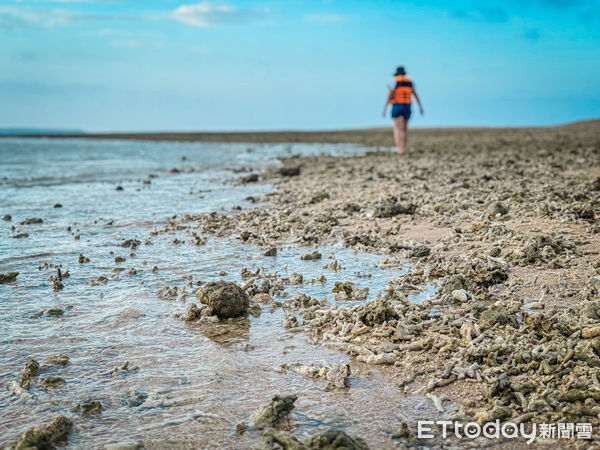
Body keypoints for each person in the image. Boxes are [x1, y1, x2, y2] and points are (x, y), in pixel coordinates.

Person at [382, 66, 424, 155]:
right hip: (407, 105)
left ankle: (399, 149)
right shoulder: (410, 82)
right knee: (404, 128)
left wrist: (385, 108)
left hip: (397, 105)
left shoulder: (394, 81)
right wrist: (420, 107)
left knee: (397, 128)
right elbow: (416, 95)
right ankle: (403, 148)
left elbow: (389, 95)